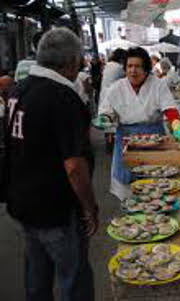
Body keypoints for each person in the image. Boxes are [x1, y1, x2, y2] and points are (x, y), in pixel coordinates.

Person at [4, 27, 97, 301]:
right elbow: (74, 166)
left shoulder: (18, 90)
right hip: (56, 210)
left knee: (37, 278)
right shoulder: (62, 97)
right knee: (74, 279)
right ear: (71, 62)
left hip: (23, 204)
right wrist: (89, 208)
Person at [96, 47, 180, 200]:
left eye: (137, 66)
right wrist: (105, 120)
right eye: (129, 66)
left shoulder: (157, 85)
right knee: (127, 188)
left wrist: (177, 127)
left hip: (155, 140)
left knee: (156, 184)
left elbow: (170, 110)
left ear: (146, 68)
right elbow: (107, 112)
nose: (133, 70)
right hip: (126, 141)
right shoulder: (116, 88)